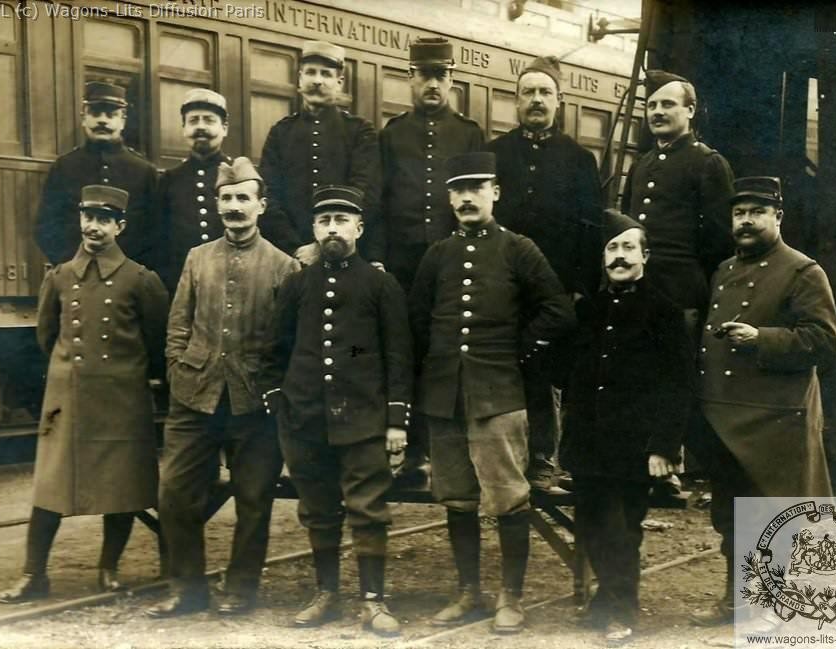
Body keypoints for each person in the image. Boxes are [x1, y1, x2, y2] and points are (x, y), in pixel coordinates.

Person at [408, 152, 575, 634]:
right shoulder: (436, 254)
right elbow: (418, 322)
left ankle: (511, 597)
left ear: (495, 193)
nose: (465, 197)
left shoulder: (518, 249)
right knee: (457, 497)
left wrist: (517, 351)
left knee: (506, 498)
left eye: (476, 188)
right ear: (449, 198)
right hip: (445, 397)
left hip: (498, 395)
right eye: (457, 189)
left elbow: (558, 310)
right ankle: (468, 593)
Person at [146, 158, 299, 618]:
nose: (234, 207)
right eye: (227, 198)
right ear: (217, 205)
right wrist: (178, 370)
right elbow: (177, 325)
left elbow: (288, 341)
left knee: (254, 499)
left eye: (243, 199)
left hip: (254, 402)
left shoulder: (284, 267)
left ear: (261, 205)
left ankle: (241, 589)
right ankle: (186, 588)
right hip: (194, 398)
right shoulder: (197, 258)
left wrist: (274, 391)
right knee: (174, 493)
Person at [0, 185, 168, 603]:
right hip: (68, 400)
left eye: (105, 219)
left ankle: (108, 569)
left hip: (121, 401)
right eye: (88, 217)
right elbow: (45, 337)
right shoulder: (58, 278)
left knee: (122, 488)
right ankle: (33, 574)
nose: (94, 227)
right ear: (79, 220)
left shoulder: (141, 280)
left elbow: (156, 341)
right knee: (51, 488)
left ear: (120, 226)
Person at [258, 185, 413, 637]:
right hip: (305, 420)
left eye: (342, 221)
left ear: (359, 228)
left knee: (368, 509)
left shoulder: (381, 285)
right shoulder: (297, 282)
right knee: (318, 508)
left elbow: (399, 358)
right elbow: (274, 348)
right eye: (324, 221)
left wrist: (396, 421)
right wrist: (278, 403)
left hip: (363, 420)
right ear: (313, 228)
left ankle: (373, 600)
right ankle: (325, 594)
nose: (332, 229)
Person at [689, 176, 836, 626]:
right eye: (739, 213)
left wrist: (762, 339)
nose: (746, 221)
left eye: (757, 212)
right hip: (725, 413)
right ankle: (737, 600)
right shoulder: (723, 270)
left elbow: (825, 341)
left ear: (778, 217)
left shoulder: (802, 271)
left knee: (778, 515)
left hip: (776, 416)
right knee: (732, 516)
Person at [559, 209, 693, 645]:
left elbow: (678, 384)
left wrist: (664, 447)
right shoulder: (590, 311)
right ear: (603, 258)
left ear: (645, 255)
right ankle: (606, 600)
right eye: (612, 248)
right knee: (591, 524)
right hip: (588, 443)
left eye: (628, 247)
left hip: (633, 447)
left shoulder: (665, 313)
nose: (620, 257)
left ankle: (621, 609)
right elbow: (573, 374)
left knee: (621, 530)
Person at [486, 55, 604, 491]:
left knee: (546, 372)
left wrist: (578, 289)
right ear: (515, 101)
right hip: (504, 286)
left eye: (544, 93)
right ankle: (503, 459)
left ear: (560, 101)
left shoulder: (579, 160)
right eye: (528, 93)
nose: (536, 100)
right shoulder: (495, 154)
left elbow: (591, 232)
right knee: (503, 369)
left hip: (554, 292)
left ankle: (543, 459)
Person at [378, 36, 485, 487]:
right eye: (425, 76)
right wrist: (380, 260)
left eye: (441, 76)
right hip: (402, 262)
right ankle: (414, 453)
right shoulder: (392, 133)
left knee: (446, 352)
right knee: (407, 351)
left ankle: (452, 452)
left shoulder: (468, 133)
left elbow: (477, 199)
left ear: (452, 81)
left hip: (449, 260)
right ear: (410, 78)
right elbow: (379, 204)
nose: (433, 84)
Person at [621, 69, 735, 331]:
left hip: (681, 294)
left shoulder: (709, 163)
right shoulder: (641, 165)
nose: (657, 112)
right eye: (651, 105)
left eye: (667, 104)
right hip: (637, 289)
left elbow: (720, 242)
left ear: (691, 111)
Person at [259, 41, 381, 265]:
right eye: (311, 73)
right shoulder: (281, 132)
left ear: (339, 83)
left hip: (347, 254)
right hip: (289, 257)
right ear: (299, 79)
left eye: (326, 74)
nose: (317, 80)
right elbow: (269, 196)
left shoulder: (359, 131)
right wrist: (295, 247)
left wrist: (323, 244)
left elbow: (365, 193)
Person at [35, 81, 159, 268]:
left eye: (110, 114)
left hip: (128, 277)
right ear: (84, 118)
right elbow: (45, 225)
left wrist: (130, 269)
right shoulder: (64, 167)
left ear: (123, 120)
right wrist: (71, 264)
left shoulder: (144, 171)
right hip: (75, 274)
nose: (102, 120)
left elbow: (155, 230)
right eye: (95, 113)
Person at [155, 88, 233, 293]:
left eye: (208, 120)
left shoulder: (239, 177)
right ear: (183, 128)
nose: (200, 127)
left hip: (231, 281)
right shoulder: (170, 180)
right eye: (193, 121)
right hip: (180, 284)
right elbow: (158, 240)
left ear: (225, 128)